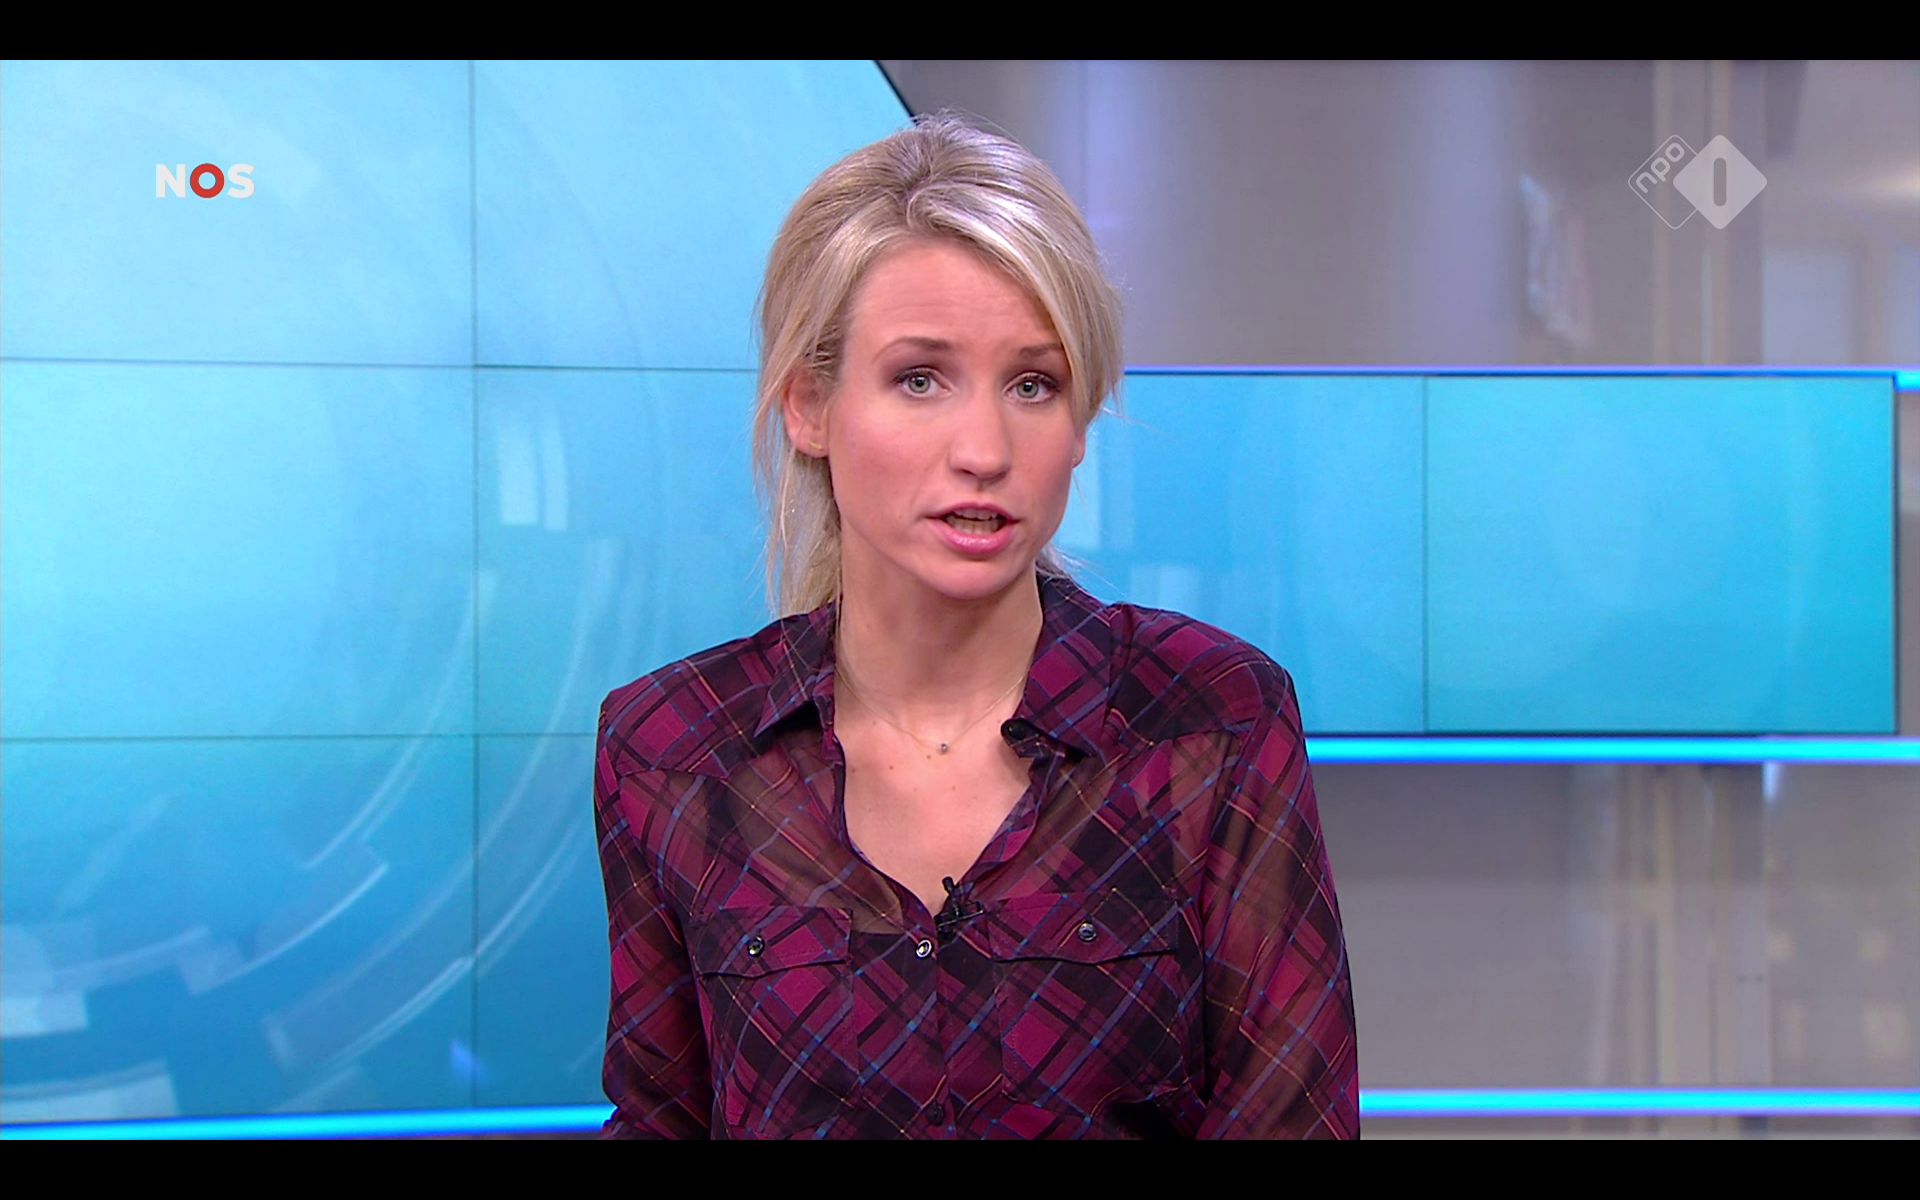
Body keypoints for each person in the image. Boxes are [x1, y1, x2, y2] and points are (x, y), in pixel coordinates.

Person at [593, 110, 1358, 1139]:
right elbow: (662, 1119)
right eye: (920, 379)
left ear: (1079, 425)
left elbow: (1293, 1121)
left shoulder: (1210, 719)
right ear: (810, 405)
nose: (985, 450)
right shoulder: (672, 750)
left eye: (1033, 385)